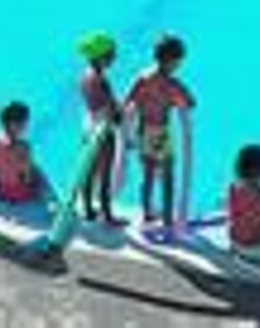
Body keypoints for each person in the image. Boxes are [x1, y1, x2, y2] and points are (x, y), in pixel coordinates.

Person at [124, 33, 196, 227]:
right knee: (167, 177)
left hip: (142, 130)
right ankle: (167, 218)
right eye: (178, 62)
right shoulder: (172, 84)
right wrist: (174, 101)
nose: (179, 65)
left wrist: (127, 135)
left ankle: (147, 212)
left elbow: (128, 100)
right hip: (160, 133)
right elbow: (190, 102)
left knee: (147, 175)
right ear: (172, 61)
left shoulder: (143, 77)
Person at [77, 31, 126, 226]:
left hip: (88, 125)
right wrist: (119, 116)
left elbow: (93, 104)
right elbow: (109, 108)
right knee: (105, 173)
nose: (114, 58)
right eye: (111, 54)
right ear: (101, 56)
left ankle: (88, 209)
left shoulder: (84, 76)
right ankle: (107, 215)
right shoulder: (100, 80)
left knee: (89, 170)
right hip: (102, 129)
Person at [0, 101, 45, 204]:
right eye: (24, 123)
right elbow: (27, 177)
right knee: (39, 173)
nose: (26, 126)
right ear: (14, 124)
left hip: (0, 190)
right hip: (18, 194)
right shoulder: (23, 147)